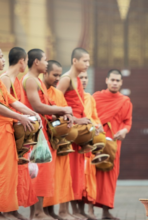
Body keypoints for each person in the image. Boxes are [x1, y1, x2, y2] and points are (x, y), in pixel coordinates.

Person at [0, 45, 39, 220]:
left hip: (6, 132)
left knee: (9, 173)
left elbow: (13, 101)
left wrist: (32, 113)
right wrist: (21, 118)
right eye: (0, 57)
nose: (3, 60)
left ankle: (8, 210)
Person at [20, 49, 73, 220]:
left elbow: (48, 106)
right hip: (34, 134)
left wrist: (62, 114)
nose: (46, 63)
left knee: (41, 171)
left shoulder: (37, 81)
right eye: (44, 60)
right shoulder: (30, 80)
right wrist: (63, 109)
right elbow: (38, 107)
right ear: (36, 62)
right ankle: (37, 212)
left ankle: (36, 213)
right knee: (38, 171)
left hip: (42, 132)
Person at [0, 47, 37, 220]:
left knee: (19, 172)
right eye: (26, 60)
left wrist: (31, 115)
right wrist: (20, 119)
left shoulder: (17, 80)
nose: (26, 63)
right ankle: (6, 210)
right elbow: (4, 106)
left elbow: (17, 104)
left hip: (19, 130)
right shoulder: (5, 79)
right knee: (8, 172)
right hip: (8, 130)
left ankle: (13, 208)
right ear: (22, 61)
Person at [57, 48, 92, 220]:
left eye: (88, 61)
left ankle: (69, 211)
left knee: (75, 173)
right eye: (85, 61)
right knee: (66, 172)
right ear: (74, 61)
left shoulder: (77, 80)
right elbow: (55, 103)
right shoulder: (65, 79)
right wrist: (76, 121)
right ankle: (62, 211)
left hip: (77, 133)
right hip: (68, 131)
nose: (88, 64)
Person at [93, 69, 132, 220]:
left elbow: (127, 122)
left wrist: (124, 131)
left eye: (118, 81)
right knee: (93, 174)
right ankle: (89, 211)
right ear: (106, 80)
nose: (115, 83)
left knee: (110, 176)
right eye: (112, 80)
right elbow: (89, 116)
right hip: (97, 141)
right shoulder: (96, 97)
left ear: (121, 83)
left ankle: (105, 211)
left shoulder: (125, 101)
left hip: (114, 143)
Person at [41, 60, 77, 220]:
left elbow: (64, 112)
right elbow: (38, 108)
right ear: (44, 72)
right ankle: (42, 212)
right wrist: (59, 114)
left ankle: (54, 211)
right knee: (44, 174)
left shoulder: (57, 93)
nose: (57, 78)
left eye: (59, 75)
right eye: (54, 75)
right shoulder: (38, 89)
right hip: (43, 137)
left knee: (57, 176)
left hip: (57, 139)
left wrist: (69, 117)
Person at [78, 71, 103, 220]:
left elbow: (95, 117)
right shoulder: (71, 96)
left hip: (90, 143)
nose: (84, 80)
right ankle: (78, 210)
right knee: (78, 178)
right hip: (78, 143)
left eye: (86, 77)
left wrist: (98, 125)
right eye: (81, 78)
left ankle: (91, 211)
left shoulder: (89, 98)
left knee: (91, 178)